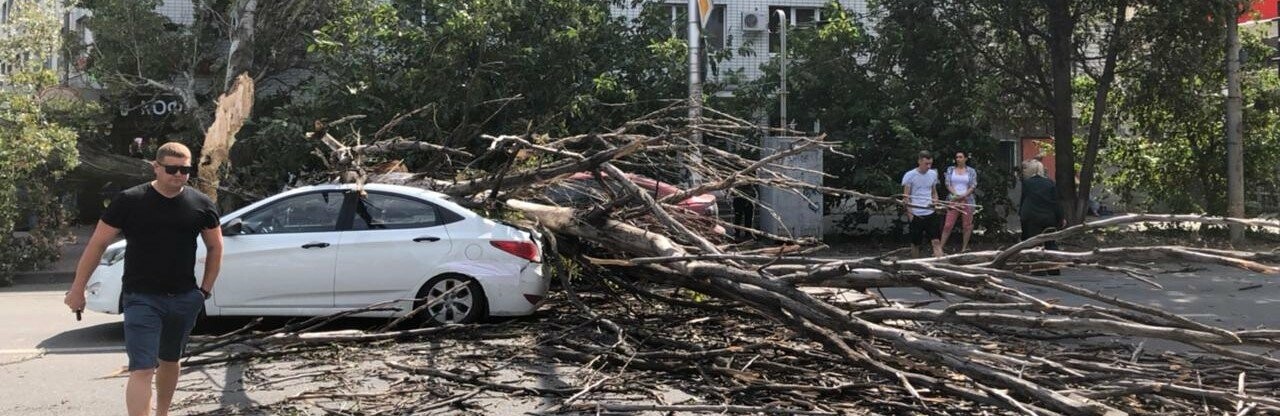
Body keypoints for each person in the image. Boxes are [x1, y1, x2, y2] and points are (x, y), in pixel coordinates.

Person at [64, 142, 223, 416]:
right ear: (156, 167)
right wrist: (78, 288)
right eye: (172, 169)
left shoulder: (201, 203)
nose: (179, 175)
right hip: (141, 297)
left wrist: (204, 291)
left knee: (171, 360)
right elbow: (97, 244)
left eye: (185, 169)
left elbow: (216, 246)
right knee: (143, 367)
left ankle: (162, 412)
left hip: (185, 297)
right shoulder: (130, 200)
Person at [902, 150, 943, 257]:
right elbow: (906, 197)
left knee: (936, 241)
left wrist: (936, 203)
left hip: (930, 211)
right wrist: (910, 214)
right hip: (916, 213)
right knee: (915, 243)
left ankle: (941, 265)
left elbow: (934, 192)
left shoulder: (933, 174)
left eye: (930, 164)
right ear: (919, 161)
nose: (928, 166)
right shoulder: (910, 175)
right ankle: (915, 265)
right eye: (926, 164)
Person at [1018, 159, 1063, 251]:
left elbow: (1024, 200)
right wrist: (1061, 218)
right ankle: (1054, 260)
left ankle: (1031, 261)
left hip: (1031, 217)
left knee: (1031, 243)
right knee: (1050, 242)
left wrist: (1021, 215)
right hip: (1048, 217)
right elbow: (1056, 202)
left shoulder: (1027, 183)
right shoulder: (1050, 183)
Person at [941, 151, 977, 252]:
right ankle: (940, 248)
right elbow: (948, 183)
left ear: (965, 158)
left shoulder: (971, 171)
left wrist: (964, 195)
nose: (958, 159)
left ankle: (964, 248)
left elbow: (973, 185)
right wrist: (956, 195)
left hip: (967, 200)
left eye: (960, 157)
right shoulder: (951, 169)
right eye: (957, 157)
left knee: (967, 225)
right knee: (948, 224)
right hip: (953, 199)